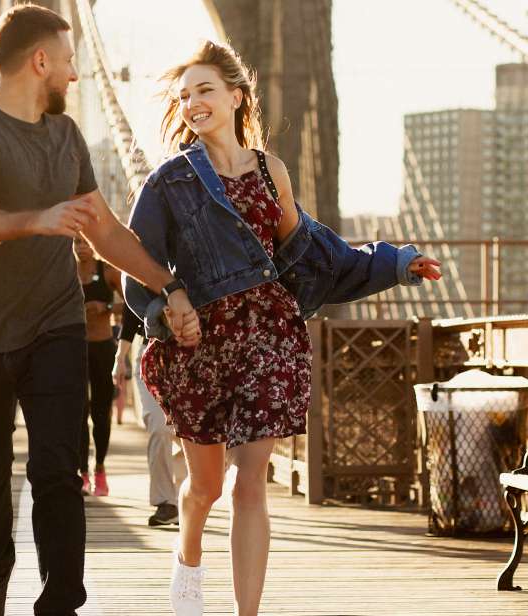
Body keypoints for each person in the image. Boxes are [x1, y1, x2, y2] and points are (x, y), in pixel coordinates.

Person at [121, 40, 443, 616]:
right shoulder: (168, 184)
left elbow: (316, 253)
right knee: (206, 487)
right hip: (204, 347)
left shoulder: (272, 171)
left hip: (270, 338)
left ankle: (249, 613)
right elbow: (136, 272)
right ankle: (188, 555)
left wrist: (394, 263)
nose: (193, 102)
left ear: (236, 96)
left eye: (206, 90)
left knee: (250, 481)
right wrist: (168, 315)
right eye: (185, 95)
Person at [0, 6, 201, 615]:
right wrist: (38, 221)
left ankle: (60, 602)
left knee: (59, 469)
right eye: (70, 60)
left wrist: (170, 285)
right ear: (41, 61)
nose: (77, 75)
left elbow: (104, 230)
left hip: (56, 324)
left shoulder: (66, 137)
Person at [116, 303, 180, 527]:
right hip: (151, 354)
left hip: (192, 352)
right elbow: (130, 314)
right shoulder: (139, 273)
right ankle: (166, 502)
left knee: (191, 432)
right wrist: (119, 357)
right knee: (160, 426)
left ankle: (187, 496)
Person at [74, 238, 122, 496]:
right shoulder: (66, 271)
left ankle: (100, 469)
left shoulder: (108, 270)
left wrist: (105, 307)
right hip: (75, 349)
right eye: (76, 243)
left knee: (101, 413)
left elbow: (129, 305)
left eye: (84, 243)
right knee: (78, 411)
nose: (81, 248)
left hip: (102, 346)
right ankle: (82, 473)